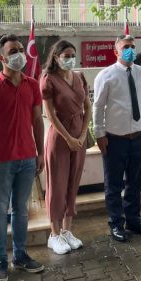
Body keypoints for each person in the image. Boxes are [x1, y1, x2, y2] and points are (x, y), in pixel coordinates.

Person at [0, 34, 45, 281]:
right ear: (1, 58)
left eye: (20, 49)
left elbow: (37, 120)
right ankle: (0, 261)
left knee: (21, 210)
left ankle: (20, 255)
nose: (18, 54)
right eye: (12, 51)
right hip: (1, 161)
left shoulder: (32, 85)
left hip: (27, 158)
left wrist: (40, 152)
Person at [93, 34, 141, 242]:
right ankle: (116, 223)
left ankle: (133, 221)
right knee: (113, 185)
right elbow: (98, 107)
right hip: (115, 140)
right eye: (125, 47)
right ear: (116, 51)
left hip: (139, 138)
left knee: (135, 183)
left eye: (132, 46)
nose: (130, 50)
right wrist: (99, 134)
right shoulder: (106, 75)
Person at [41, 40, 92, 254]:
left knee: (73, 183)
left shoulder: (79, 77)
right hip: (60, 138)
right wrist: (69, 138)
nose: (70, 59)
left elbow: (87, 106)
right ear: (56, 57)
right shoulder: (48, 79)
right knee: (57, 185)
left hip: (79, 137)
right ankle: (54, 234)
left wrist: (82, 134)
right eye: (66, 56)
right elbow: (50, 114)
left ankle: (67, 230)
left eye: (73, 55)